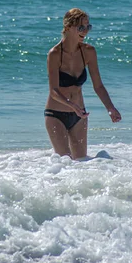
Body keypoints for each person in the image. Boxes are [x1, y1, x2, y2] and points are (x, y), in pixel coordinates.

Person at [44, 8, 121, 160]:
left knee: (81, 162)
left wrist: (110, 108)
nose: (85, 31)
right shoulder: (54, 54)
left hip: (80, 116)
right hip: (56, 115)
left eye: (88, 27)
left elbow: (98, 85)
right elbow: (53, 90)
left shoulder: (88, 52)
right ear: (68, 28)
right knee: (64, 163)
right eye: (81, 27)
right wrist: (73, 106)